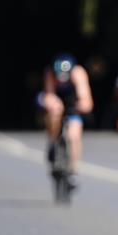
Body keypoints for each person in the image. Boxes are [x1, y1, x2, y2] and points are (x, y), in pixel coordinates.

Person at [40, 53, 93, 181]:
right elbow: (49, 95)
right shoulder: (50, 72)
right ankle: (53, 142)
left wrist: (82, 105)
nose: (61, 80)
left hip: (73, 103)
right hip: (57, 101)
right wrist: (53, 104)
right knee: (54, 113)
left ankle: (73, 169)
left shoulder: (78, 73)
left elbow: (86, 99)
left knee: (74, 136)